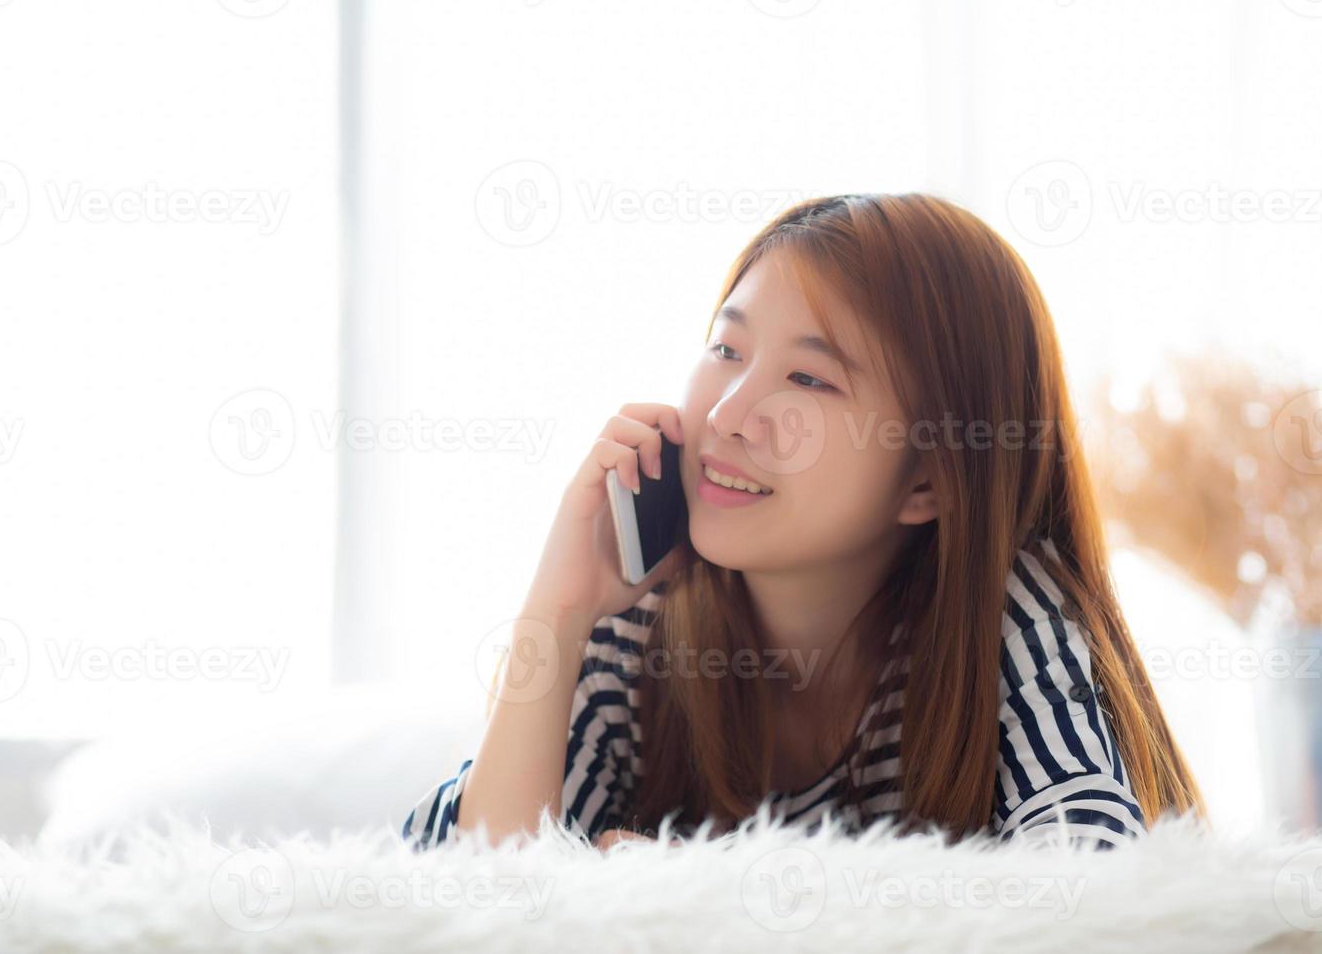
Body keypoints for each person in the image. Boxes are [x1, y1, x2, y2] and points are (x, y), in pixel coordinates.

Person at [401, 193, 1206, 853]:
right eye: (726, 349)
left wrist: (702, 897)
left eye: (809, 379)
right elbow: (469, 900)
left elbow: (1093, 896)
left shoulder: (1005, 616)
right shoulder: (637, 622)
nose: (728, 412)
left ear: (927, 479)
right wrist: (558, 610)